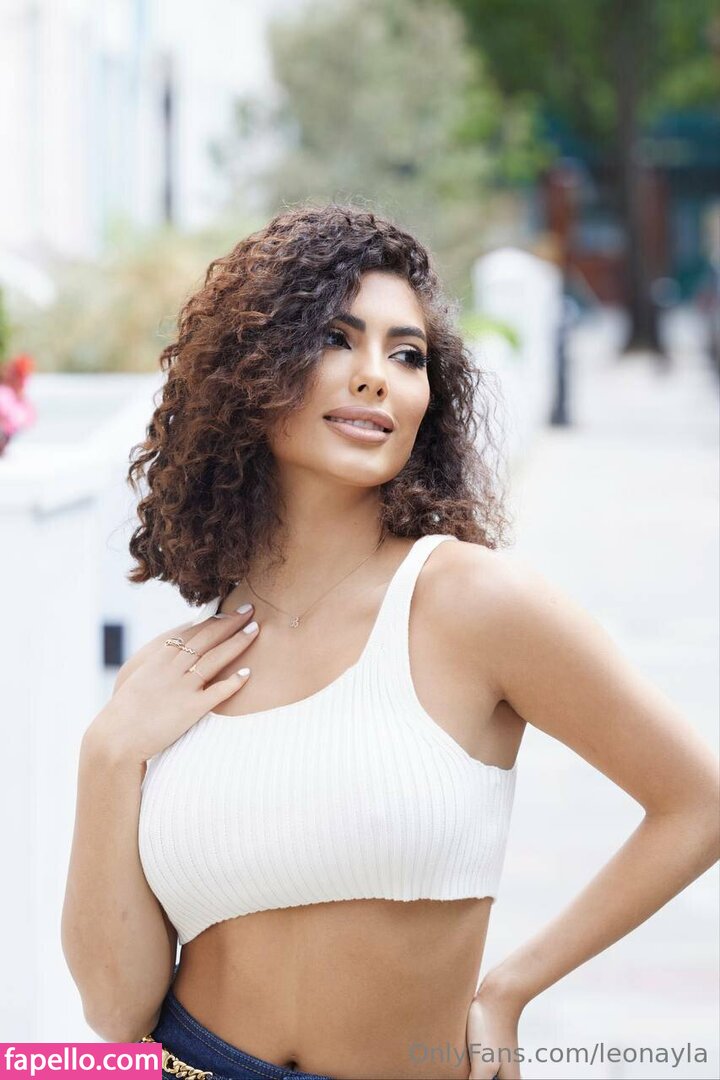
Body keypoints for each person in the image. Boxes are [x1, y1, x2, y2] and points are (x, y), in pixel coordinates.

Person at [61, 204, 720, 1080]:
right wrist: (109, 754)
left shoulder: (471, 603)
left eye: (406, 355)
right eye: (337, 340)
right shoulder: (175, 672)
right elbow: (116, 1012)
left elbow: (698, 803)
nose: (376, 377)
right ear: (251, 372)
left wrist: (508, 991)